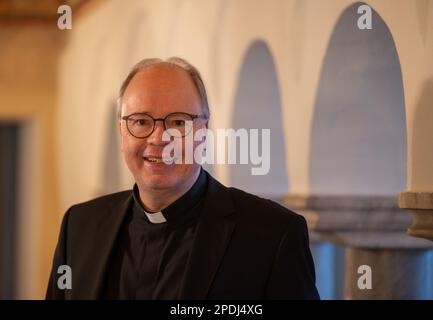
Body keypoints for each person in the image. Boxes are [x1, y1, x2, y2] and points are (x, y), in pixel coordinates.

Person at [46, 57, 319, 300]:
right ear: (122, 131)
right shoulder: (79, 227)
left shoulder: (273, 235)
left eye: (178, 122)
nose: (159, 139)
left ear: (204, 131)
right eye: (140, 121)